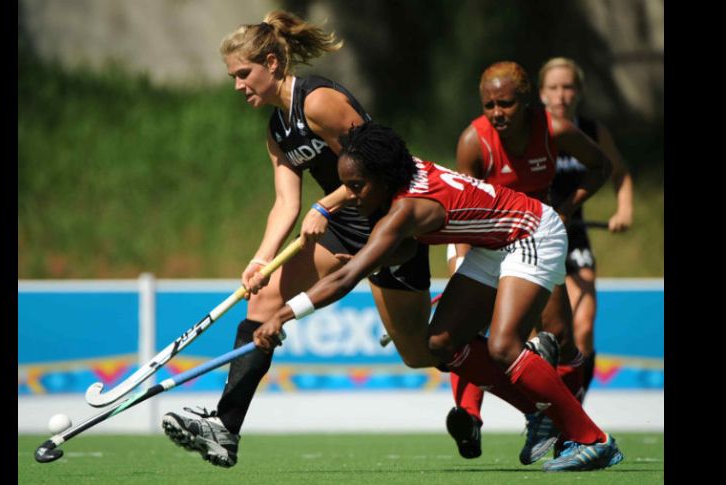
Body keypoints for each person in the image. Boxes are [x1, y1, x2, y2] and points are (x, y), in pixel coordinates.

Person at [253, 122, 624, 472]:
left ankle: (594, 440)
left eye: (356, 186)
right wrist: (372, 258)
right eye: (345, 185)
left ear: (382, 178)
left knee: (503, 346)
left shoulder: (405, 208)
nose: (349, 196)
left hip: (531, 233)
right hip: (495, 244)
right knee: (441, 344)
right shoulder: (400, 174)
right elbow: (404, 248)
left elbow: (346, 278)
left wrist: (282, 315)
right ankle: (539, 409)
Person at [160, 11, 432, 468]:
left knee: (422, 353)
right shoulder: (277, 131)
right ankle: (225, 428)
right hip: (344, 227)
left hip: (389, 226)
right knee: (263, 300)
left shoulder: (319, 102)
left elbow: (380, 165)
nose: (238, 85)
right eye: (232, 77)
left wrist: (325, 206)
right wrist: (260, 261)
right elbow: (285, 203)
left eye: (243, 74)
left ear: (271, 63)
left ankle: (512, 356)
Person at [446, 61, 615, 464]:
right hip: (486, 241)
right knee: (462, 335)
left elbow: (601, 166)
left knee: (562, 339)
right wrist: (461, 264)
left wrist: (568, 206)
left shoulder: (554, 130)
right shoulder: (474, 142)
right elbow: (462, 210)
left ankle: (567, 435)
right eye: (489, 105)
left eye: (505, 104)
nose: (497, 113)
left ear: (526, 101)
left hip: (538, 239)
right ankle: (472, 414)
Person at [538, 57, 634, 398]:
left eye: (568, 87)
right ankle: (545, 408)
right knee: (544, 336)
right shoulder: (532, 131)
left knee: (583, 328)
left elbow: (619, 172)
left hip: (574, 236)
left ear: (577, 92)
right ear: (541, 93)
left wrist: (624, 210)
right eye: (553, 88)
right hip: (535, 240)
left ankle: (575, 407)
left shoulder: (592, 132)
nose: (560, 95)